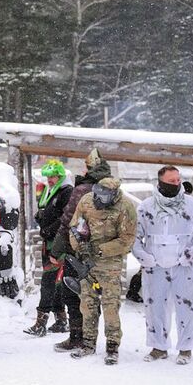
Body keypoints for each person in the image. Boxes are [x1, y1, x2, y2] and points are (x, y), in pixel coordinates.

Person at [132, 166, 193, 365]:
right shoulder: (146, 206)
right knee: (154, 306)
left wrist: (191, 254)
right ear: (161, 183)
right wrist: (143, 256)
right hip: (154, 265)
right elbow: (133, 235)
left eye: (178, 180)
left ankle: (186, 348)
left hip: (183, 265)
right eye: (172, 181)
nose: (176, 184)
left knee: (186, 306)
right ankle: (158, 346)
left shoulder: (192, 205)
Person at [67, 177, 137, 365]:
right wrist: (79, 246)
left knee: (110, 305)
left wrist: (100, 250)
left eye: (104, 196)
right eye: (98, 194)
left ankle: (112, 345)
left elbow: (127, 239)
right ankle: (88, 342)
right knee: (87, 303)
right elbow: (75, 226)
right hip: (86, 261)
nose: (99, 199)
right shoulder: (87, 200)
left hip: (110, 263)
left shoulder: (125, 207)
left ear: (113, 195)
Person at [52, 149, 113, 353]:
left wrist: (56, 249)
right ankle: (96, 338)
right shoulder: (113, 190)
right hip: (104, 254)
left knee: (73, 293)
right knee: (97, 296)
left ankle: (78, 337)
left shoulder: (83, 189)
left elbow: (68, 219)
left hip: (78, 250)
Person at [28, 159, 75, 336]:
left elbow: (65, 218)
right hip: (49, 242)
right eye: (48, 176)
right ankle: (61, 320)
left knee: (49, 281)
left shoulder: (67, 192)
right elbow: (49, 214)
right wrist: (41, 217)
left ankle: (41, 323)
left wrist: (49, 228)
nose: (49, 180)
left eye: (53, 176)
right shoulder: (51, 192)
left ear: (61, 176)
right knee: (55, 283)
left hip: (58, 243)